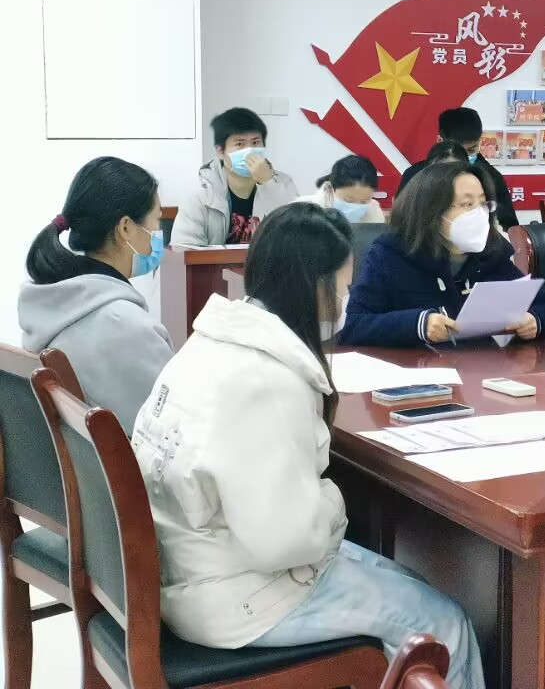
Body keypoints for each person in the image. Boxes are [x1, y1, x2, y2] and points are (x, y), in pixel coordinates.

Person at [131, 203, 484, 689]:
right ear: (314, 287)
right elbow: (287, 543)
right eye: (342, 287)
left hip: (197, 572)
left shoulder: (211, 342)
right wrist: (332, 497)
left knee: (415, 587)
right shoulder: (267, 382)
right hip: (239, 597)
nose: (346, 300)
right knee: (444, 626)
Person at [19, 157, 174, 435]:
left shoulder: (52, 301)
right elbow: (176, 426)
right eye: (156, 219)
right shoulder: (124, 324)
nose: (158, 232)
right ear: (125, 228)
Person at [341, 163, 545, 347]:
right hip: (420, 373)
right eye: (467, 204)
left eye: (483, 204)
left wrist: (535, 321)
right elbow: (354, 325)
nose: (478, 214)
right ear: (430, 210)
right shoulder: (390, 254)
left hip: (485, 372)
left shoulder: (492, 252)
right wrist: (418, 324)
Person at [171, 107, 298, 246]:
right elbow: (184, 249)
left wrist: (270, 184)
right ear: (220, 151)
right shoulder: (200, 192)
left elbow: (297, 236)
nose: (249, 151)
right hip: (216, 261)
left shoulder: (283, 184)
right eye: (240, 144)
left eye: (255, 143)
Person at [396, 108, 519, 229]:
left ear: (479, 142)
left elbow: (509, 226)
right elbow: (400, 223)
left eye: (471, 150)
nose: (463, 158)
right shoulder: (415, 175)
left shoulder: (492, 177)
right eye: (457, 151)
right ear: (440, 141)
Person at [298, 154, 385, 223]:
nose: (356, 206)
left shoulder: (374, 212)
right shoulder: (303, 211)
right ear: (330, 189)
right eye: (348, 200)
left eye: (364, 201)